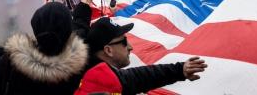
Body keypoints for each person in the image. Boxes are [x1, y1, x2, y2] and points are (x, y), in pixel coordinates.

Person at [77, 17, 206, 94]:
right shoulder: (103, 80)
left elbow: (139, 76)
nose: (130, 47)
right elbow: (138, 78)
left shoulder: (81, 68)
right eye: (124, 42)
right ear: (108, 50)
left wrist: (180, 70)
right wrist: (179, 70)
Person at [0, 2, 88, 95]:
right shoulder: (78, 66)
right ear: (68, 30)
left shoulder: (13, 60)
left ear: (35, 26)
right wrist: (84, 5)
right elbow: (82, 32)